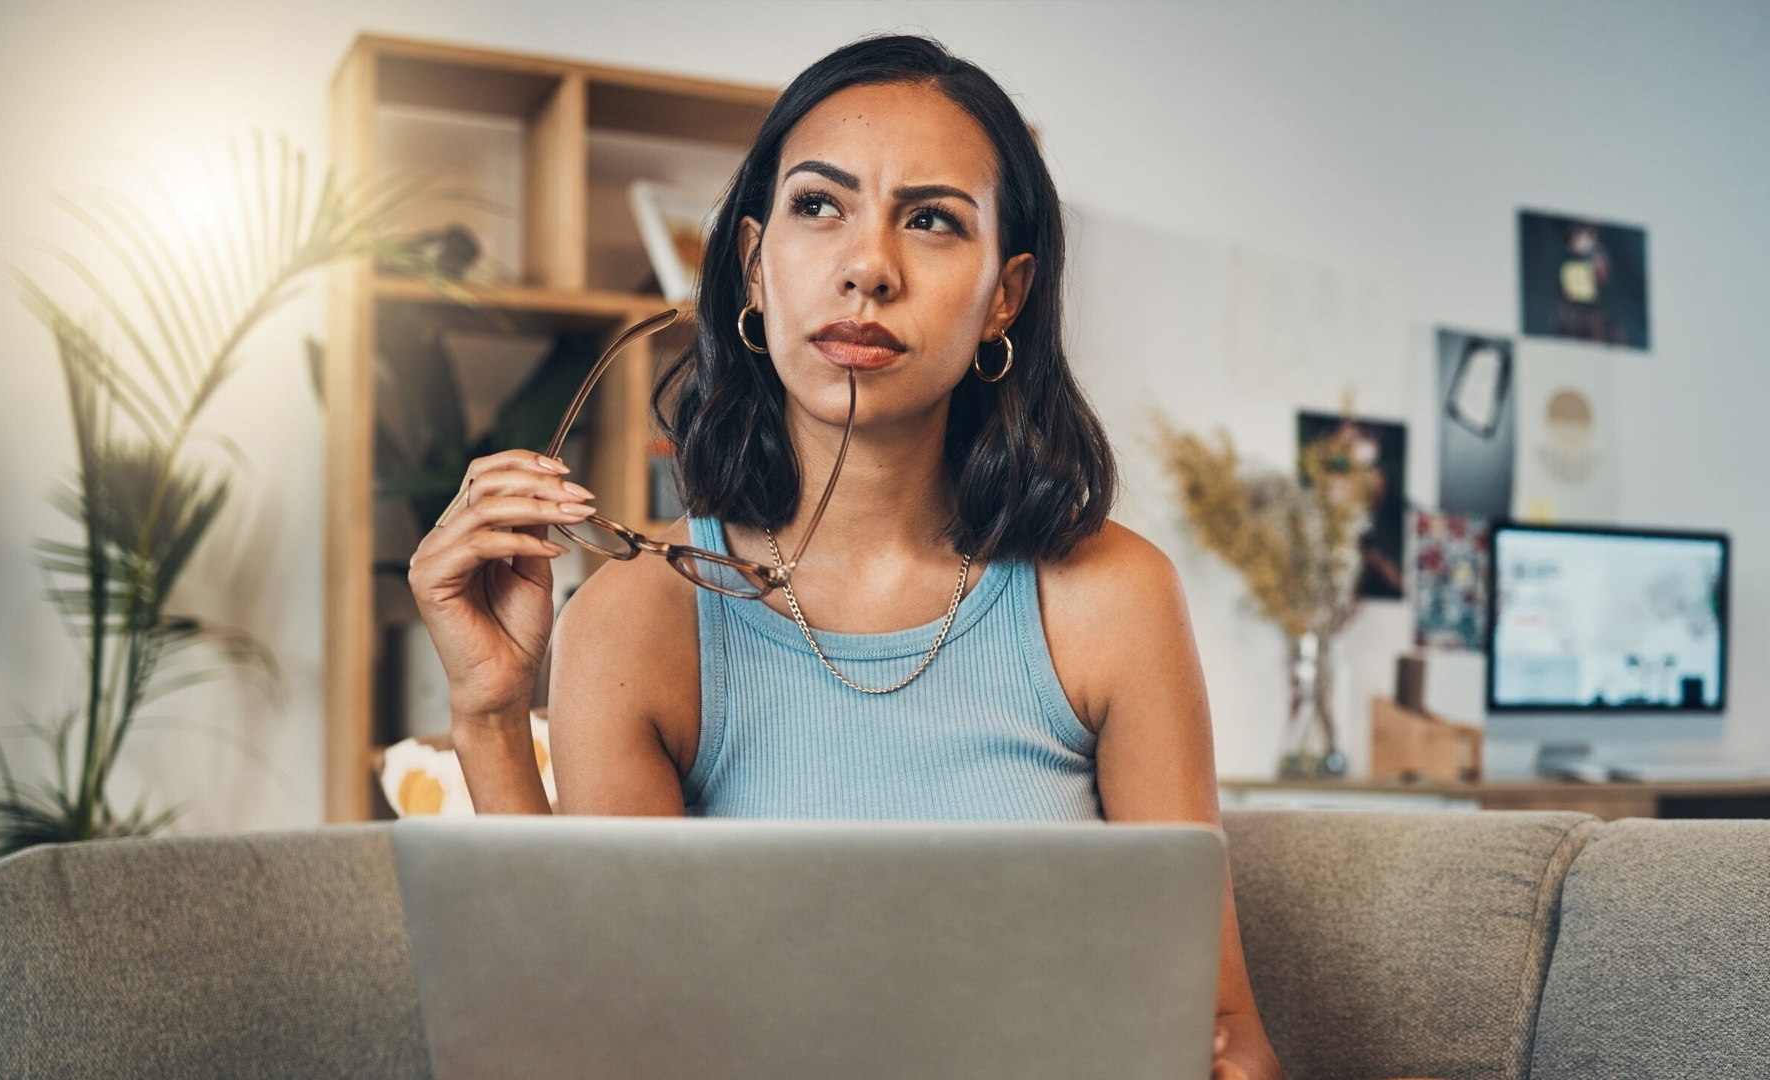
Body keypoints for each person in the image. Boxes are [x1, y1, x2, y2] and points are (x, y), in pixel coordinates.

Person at [407, 33, 1283, 1080]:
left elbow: (1224, 1036)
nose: (868, 265)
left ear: (1005, 296)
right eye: (819, 206)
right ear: (754, 264)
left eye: (931, 219)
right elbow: (600, 1041)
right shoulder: (640, 616)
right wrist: (494, 715)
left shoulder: (1111, 598)